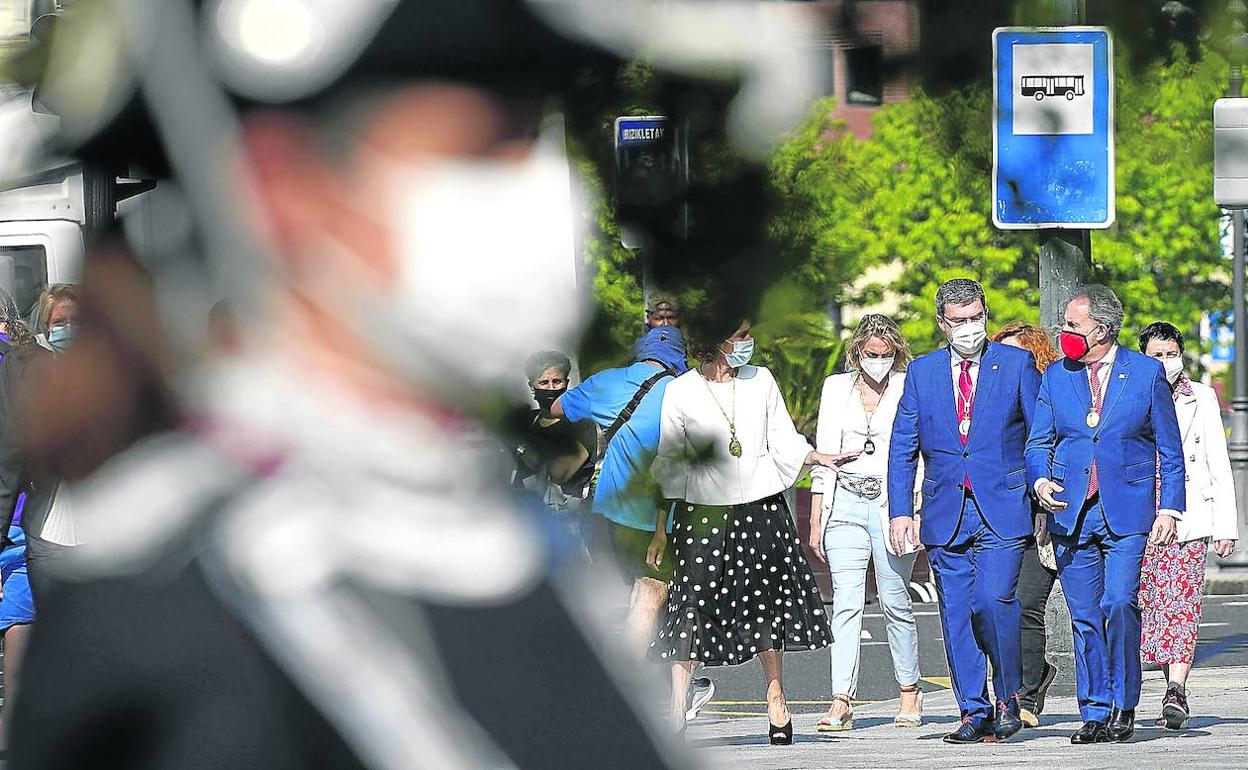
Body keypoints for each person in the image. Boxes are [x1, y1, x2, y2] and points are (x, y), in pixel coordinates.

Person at [649, 316, 844, 743]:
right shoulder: (680, 390)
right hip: (704, 513)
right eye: (740, 336)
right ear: (716, 341)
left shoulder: (761, 380)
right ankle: (676, 705)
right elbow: (670, 459)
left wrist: (815, 456)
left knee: (766, 605)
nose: (748, 343)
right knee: (691, 606)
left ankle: (776, 699)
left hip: (761, 508)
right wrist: (661, 529)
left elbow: (784, 438)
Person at [1027, 285, 1185, 745]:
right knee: (1083, 615)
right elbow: (1039, 442)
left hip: (1128, 510)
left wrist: (1170, 508)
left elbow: (1169, 449)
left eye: (1073, 325)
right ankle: (1095, 711)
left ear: (1102, 328)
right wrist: (1040, 483)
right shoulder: (1058, 376)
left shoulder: (1145, 373)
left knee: (1118, 602)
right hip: (1071, 511)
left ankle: (1125, 701)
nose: (1065, 334)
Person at [888, 278, 1040, 745]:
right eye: (959, 322)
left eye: (975, 318)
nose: (969, 328)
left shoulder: (1016, 364)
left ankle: (1009, 695)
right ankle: (973, 709)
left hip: (1003, 505)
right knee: (956, 614)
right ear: (942, 324)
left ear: (985, 316)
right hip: (944, 509)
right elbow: (902, 445)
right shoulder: (923, 372)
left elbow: (1039, 434)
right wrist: (900, 512)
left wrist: (1043, 488)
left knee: (993, 602)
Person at [551, 326, 715, 718]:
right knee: (651, 595)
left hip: (605, 513)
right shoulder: (683, 391)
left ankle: (644, 685)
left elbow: (558, 409)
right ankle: (619, 695)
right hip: (656, 518)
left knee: (623, 602)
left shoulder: (608, 382)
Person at [809, 313, 923, 731]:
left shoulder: (909, 384)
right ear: (857, 352)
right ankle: (841, 698)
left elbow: (920, 452)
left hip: (893, 505)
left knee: (896, 601)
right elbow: (824, 451)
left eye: (887, 355)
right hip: (846, 502)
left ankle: (909, 690)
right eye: (871, 354)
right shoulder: (836, 388)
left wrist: (912, 510)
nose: (879, 361)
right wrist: (817, 514)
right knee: (845, 604)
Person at [1137, 321, 1237, 729]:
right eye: (1156, 355)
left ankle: (1175, 689)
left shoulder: (1202, 398)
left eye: (1170, 353)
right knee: (1150, 606)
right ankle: (1165, 681)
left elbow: (1218, 461)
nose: (1165, 361)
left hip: (1190, 514)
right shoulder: (1130, 393)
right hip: (1142, 515)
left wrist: (1226, 526)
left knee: (1182, 604)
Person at [991, 321, 1062, 728]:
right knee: (1010, 606)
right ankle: (1024, 690)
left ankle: (1029, 696)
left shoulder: (1049, 399)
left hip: (1050, 516)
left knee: (1030, 605)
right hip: (1006, 517)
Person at [0, 290, 38, 748]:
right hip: (21, 514)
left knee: (19, 617)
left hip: (16, 514)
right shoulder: (28, 362)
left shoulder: (17, 366)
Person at [514, 350, 597, 513]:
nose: (551, 388)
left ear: (566, 383)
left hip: (563, 515)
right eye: (544, 383)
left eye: (557, 381)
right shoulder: (529, 421)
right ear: (532, 386)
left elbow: (560, 472)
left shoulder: (582, 424)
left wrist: (520, 446)